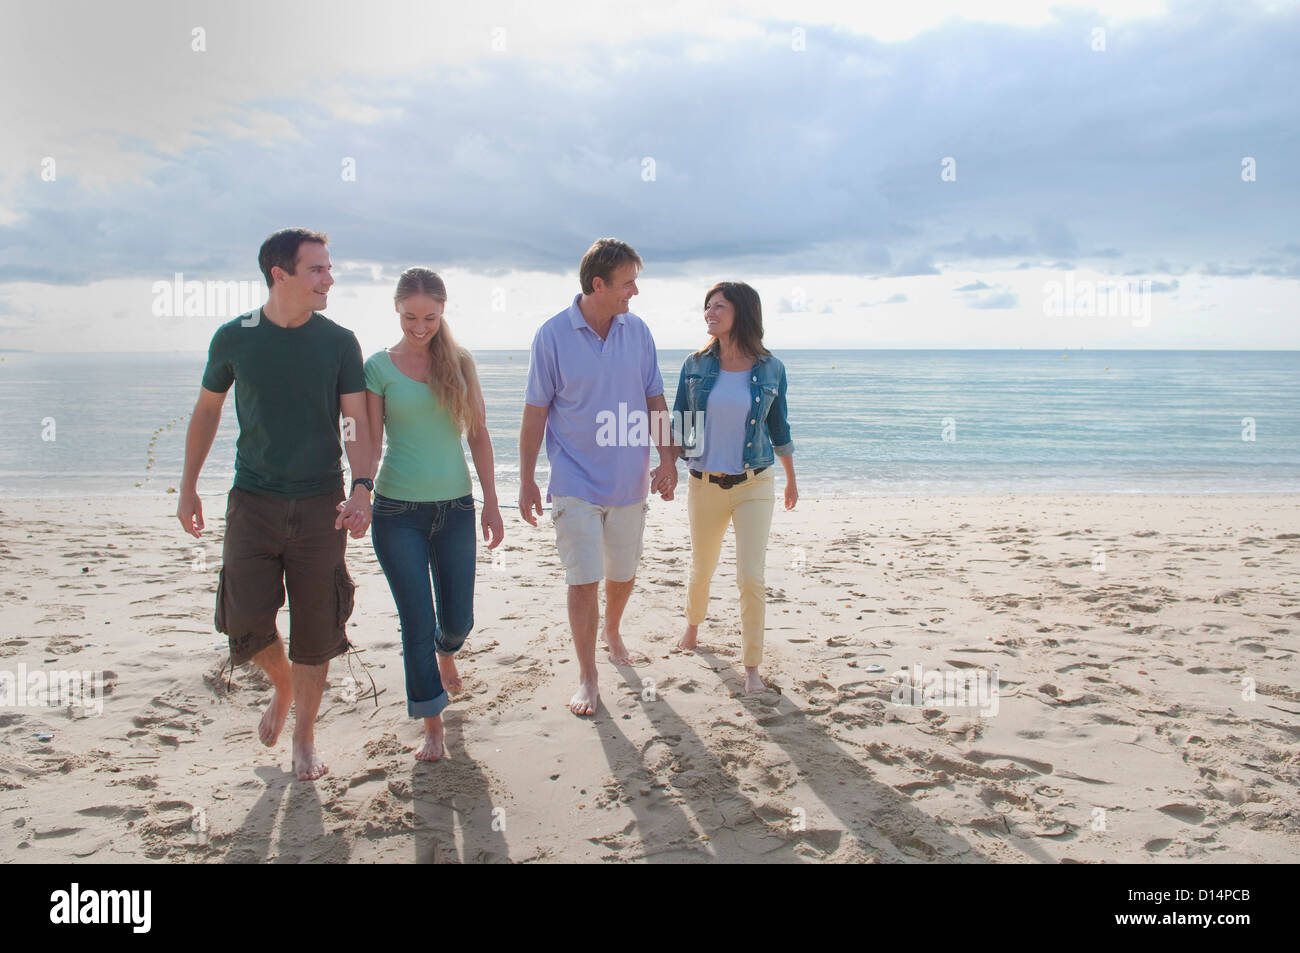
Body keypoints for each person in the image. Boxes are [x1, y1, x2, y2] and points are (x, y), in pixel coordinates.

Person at [177, 227, 374, 780]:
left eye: (329, 268)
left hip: (320, 504)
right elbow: (208, 412)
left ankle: (304, 736)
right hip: (252, 501)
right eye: (317, 270)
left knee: (317, 626)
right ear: (279, 275)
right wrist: (189, 484)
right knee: (243, 619)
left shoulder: (338, 341)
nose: (329, 278)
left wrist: (362, 487)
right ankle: (283, 684)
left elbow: (355, 420)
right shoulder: (234, 338)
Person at [518, 238, 678, 716]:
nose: (634, 291)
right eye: (628, 283)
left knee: (622, 574)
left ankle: (613, 629)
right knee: (583, 578)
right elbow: (535, 412)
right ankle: (588, 676)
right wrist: (527, 479)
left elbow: (655, 401)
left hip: (629, 479)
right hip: (574, 480)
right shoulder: (552, 335)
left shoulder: (639, 332)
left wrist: (667, 459)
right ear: (598, 284)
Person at [364, 268, 504, 761]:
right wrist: (358, 492)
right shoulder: (378, 367)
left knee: (458, 622)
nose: (419, 326)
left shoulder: (460, 363)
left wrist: (491, 500)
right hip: (396, 510)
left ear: (442, 312)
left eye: (429, 317)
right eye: (409, 317)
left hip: (456, 508)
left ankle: (449, 654)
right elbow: (369, 440)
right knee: (415, 622)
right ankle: (432, 724)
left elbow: (479, 434)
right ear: (396, 310)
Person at [673, 281, 796, 693]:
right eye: (707, 306)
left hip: (754, 481)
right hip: (704, 482)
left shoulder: (771, 368)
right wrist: (662, 467)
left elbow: (778, 427)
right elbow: (680, 421)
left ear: (741, 311)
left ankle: (752, 668)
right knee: (702, 564)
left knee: (750, 576)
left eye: (719, 306)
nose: (709, 312)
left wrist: (791, 477)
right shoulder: (694, 365)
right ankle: (692, 627)